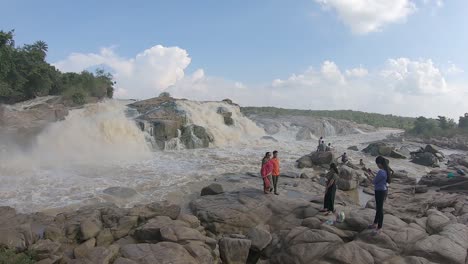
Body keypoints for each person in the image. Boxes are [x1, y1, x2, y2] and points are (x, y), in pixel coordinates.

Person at [369, 156, 390, 235]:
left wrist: (368, 176)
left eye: (377, 164)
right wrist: (371, 173)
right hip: (382, 190)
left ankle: (379, 227)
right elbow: (378, 179)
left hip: (380, 192)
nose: (377, 165)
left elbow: (374, 182)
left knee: (380, 209)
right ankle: (375, 223)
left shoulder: (381, 172)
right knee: (378, 208)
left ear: (380, 163)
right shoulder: (385, 171)